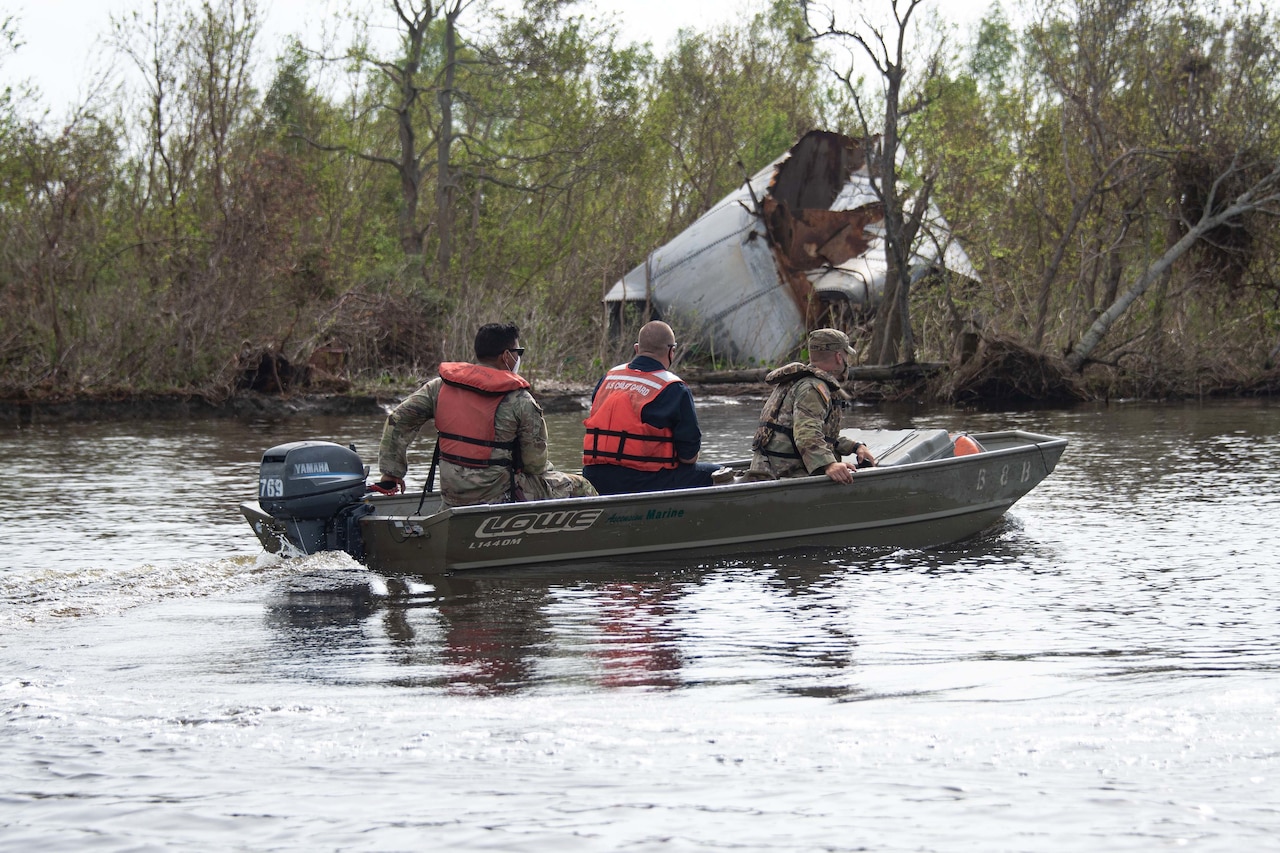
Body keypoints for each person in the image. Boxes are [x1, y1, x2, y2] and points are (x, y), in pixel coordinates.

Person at [373, 323, 597, 508]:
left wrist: (391, 474)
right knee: (581, 486)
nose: (519, 358)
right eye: (518, 353)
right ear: (506, 356)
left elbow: (398, 420)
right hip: (500, 496)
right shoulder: (520, 400)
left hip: (453, 495)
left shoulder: (438, 387)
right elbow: (534, 464)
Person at [582, 320, 720, 494]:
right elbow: (688, 457)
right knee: (720, 473)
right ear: (672, 351)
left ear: (637, 348)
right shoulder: (673, 387)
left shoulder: (608, 378)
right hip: (643, 481)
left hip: (594, 478)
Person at [747, 327, 877, 484]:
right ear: (838, 357)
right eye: (846, 355)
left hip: (772, 470)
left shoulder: (800, 382)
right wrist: (829, 465)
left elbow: (818, 433)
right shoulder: (812, 388)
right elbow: (806, 434)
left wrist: (855, 447)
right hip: (784, 475)